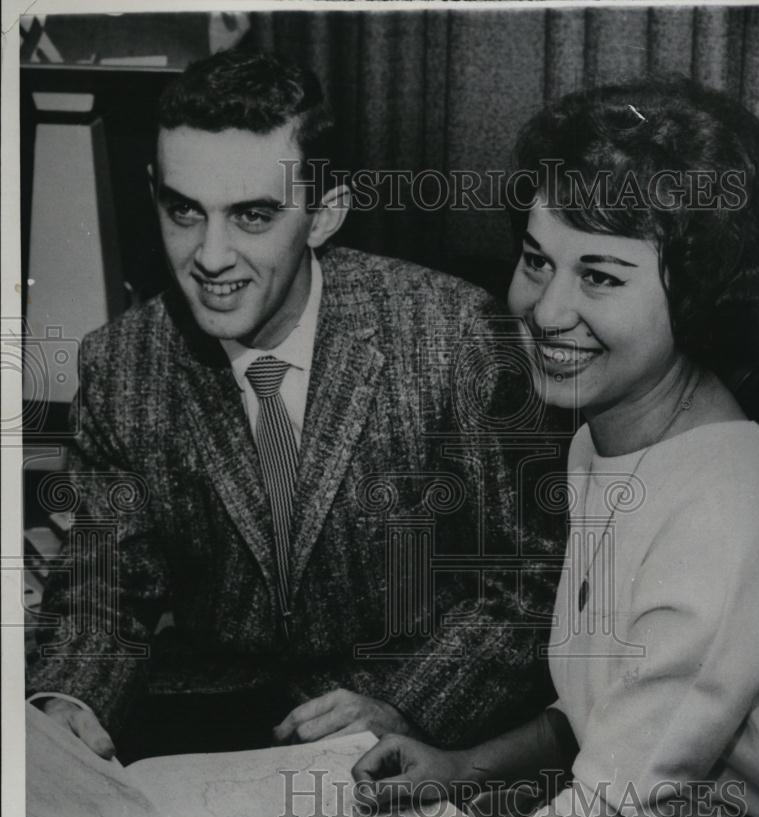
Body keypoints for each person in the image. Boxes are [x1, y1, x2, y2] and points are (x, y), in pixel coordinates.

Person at [214, 77, 759, 817]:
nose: (545, 310)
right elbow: (603, 710)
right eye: (538, 259)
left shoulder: (730, 508)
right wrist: (462, 766)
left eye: (600, 276)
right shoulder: (603, 440)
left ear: (696, 295)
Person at [25, 49, 561, 760]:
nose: (209, 257)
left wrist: (405, 707)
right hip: (206, 727)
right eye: (183, 211)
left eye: (251, 216)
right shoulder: (123, 361)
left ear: (323, 213)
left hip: (407, 722)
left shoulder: (453, 335)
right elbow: (107, 586)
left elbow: (528, 584)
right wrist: (69, 699)